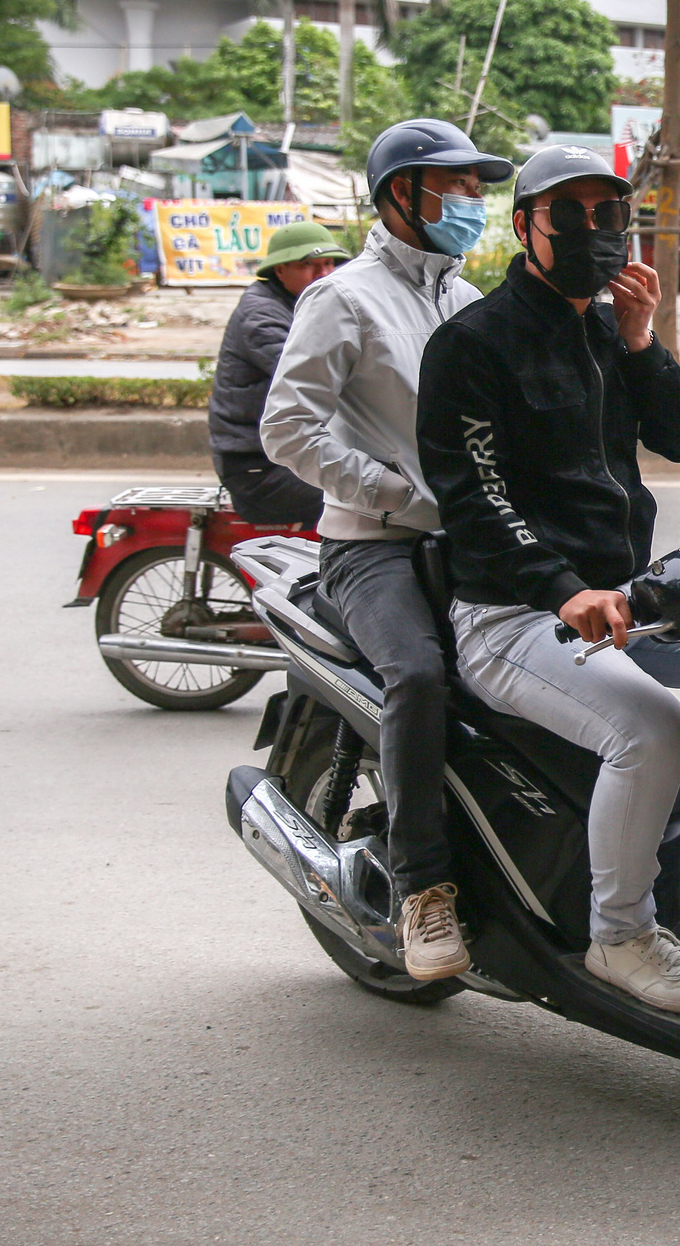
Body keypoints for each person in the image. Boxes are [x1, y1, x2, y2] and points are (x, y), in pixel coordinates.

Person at [416, 144, 680, 1015]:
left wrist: (641, 342)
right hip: (517, 616)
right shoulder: (472, 344)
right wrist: (561, 587)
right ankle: (620, 934)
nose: (597, 232)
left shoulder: (605, 326)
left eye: (609, 214)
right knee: (653, 726)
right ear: (525, 227)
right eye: (572, 215)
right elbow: (474, 498)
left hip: (626, 599)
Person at [261, 119, 514, 982]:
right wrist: (398, 493)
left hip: (468, 539)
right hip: (374, 547)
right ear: (402, 193)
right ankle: (423, 890)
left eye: (480, 189)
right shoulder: (342, 297)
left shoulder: (468, 301)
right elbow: (286, 427)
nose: (474, 203)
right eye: (458, 187)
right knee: (417, 674)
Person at [207, 222, 348, 527]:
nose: (323, 273)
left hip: (293, 456)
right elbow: (321, 376)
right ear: (280, 271)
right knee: (370, 501)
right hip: (260, 469)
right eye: (307, 265)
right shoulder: (261, 316)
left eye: (328, 263)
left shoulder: (304, 303)